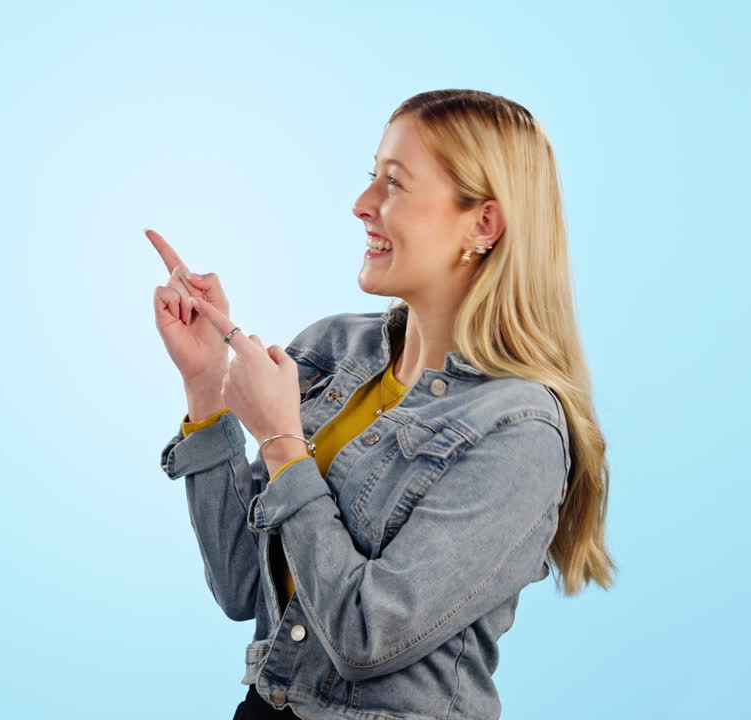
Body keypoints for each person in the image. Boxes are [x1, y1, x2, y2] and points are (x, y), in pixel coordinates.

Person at [149, 89, 616, 720]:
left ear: (482, 224)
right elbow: (241, 587)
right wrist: (206, 387)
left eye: (394, 184)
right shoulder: (333, 349)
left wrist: (282, 442)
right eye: (372, 177)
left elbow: (367, 638)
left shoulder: (519, 432)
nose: (362, 205)